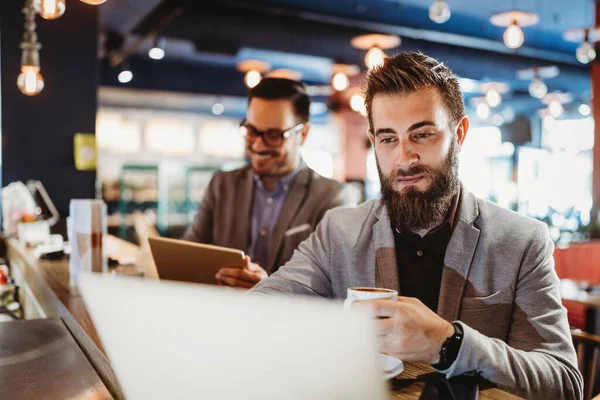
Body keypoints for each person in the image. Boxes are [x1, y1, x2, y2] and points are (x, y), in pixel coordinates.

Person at [252, 53, 583, 399]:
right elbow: (260, 308)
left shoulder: (522, 241)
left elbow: (563, 383)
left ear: (460, 133)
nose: (404, 158)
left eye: (422, 135)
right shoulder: (338, 232)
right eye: (388, 139)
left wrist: (450, 343)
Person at [183, 78, 361, 289]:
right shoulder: (222, 185)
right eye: (252, 131)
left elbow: (338, 285)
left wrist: (269, 288)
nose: (258, 144)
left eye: (274, 135)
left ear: (302, 134)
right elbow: (188, 256)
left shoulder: (333, 197)